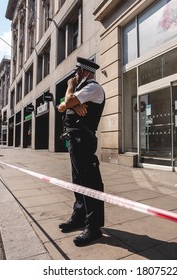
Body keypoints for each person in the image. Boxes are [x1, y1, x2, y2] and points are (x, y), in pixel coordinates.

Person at [57, 57, 105, 246]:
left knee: (90, 183)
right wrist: (74, 104)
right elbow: (61, 106)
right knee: (78, 182)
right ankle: (79, 217)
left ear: (84, 72)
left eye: (77, 72)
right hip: (74, 141)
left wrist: (70, 94)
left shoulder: (93, 88)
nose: (75, 76)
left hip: (84, 140)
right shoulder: (82, 91)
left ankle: (93, 227)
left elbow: (66, 101)